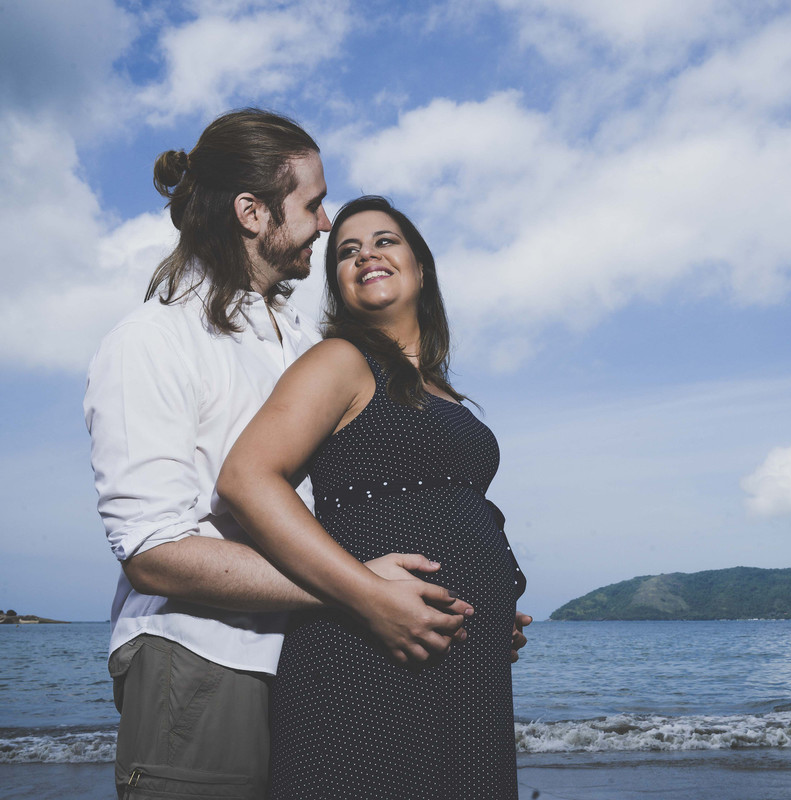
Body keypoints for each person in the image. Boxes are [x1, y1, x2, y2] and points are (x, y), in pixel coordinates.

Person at [84, 110, 505, 799]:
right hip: (205, 662)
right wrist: (360, 590)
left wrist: (456, 600)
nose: (325, 220)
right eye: (312, 203)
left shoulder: (306, 342)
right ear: (253, 213)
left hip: (318, 664)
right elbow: (154, 550)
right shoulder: (151, 341)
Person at [217, 196, 527, 799]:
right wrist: (367, 593)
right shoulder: (341, 360)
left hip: (459, 660)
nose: (366, 256)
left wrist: (488, 605)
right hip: (364, 649)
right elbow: (246, 479)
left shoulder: (442, 392)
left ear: (420, 265)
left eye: (385, 241)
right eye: (347, 252)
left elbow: (448, 511)